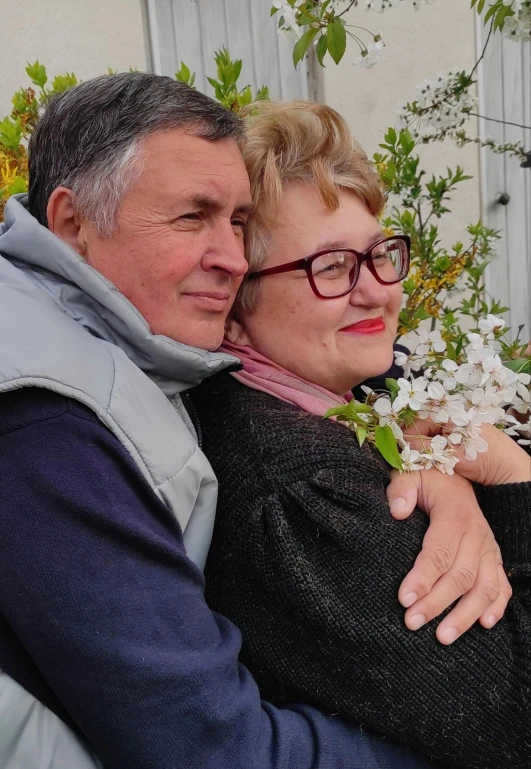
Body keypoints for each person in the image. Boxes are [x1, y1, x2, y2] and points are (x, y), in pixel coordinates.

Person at [0, 72, 465, 769]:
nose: (230, 257)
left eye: (240, 222)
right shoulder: (46, 424)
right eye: (192, 216)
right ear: (73, 224)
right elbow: (213, 750)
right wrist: (450, 752)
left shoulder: (118, 338)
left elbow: (349, 351)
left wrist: (444, 456)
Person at [189, 100, 531, 769]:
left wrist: (434, 460)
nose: (375, 290)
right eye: (329, 267)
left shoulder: (341, 393)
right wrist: (512, 479)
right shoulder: (302, 496)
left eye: (380, 254)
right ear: (236, 303)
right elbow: (514, 719)